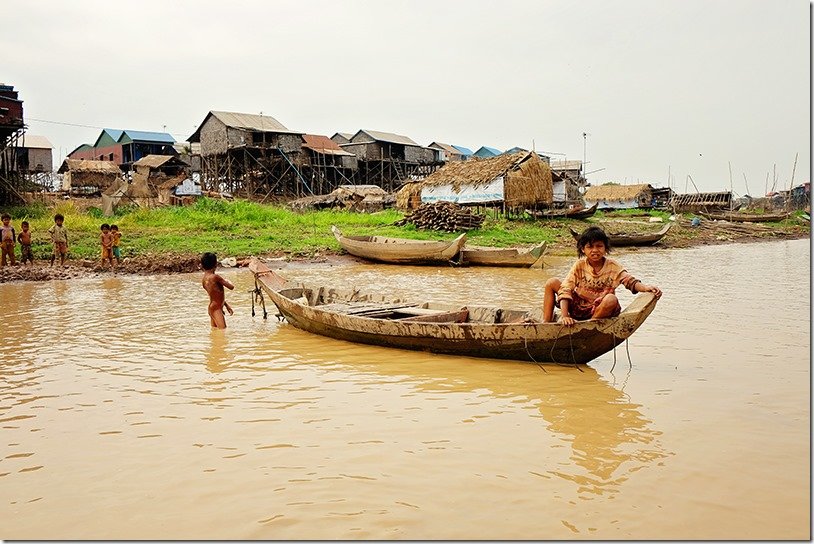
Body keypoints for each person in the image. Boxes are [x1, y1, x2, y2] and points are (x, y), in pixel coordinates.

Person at [543, 225, 662, 325]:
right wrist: (564, 316)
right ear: (583, 249)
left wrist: (645, 287)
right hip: (579, 307)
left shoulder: (612, 266)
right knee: (551, 282)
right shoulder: (579, 265)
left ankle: (590, 325)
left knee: (611, 299)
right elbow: (566, 288)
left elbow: (630, 281)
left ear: (605, 248)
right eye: (590, 247)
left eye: (599, 246)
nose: (595, 250)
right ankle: (546, 323)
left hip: (600, 310)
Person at [201, 252, 235, 329]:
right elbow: (231, 287)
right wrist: (228, 280)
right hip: (217, 309)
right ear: (216, 264)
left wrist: (226, 305)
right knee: (223, 330)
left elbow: (214, 295)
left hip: (212, 308)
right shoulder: (215, 277)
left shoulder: (204, 279)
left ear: (202, 265)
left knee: (215, 330)